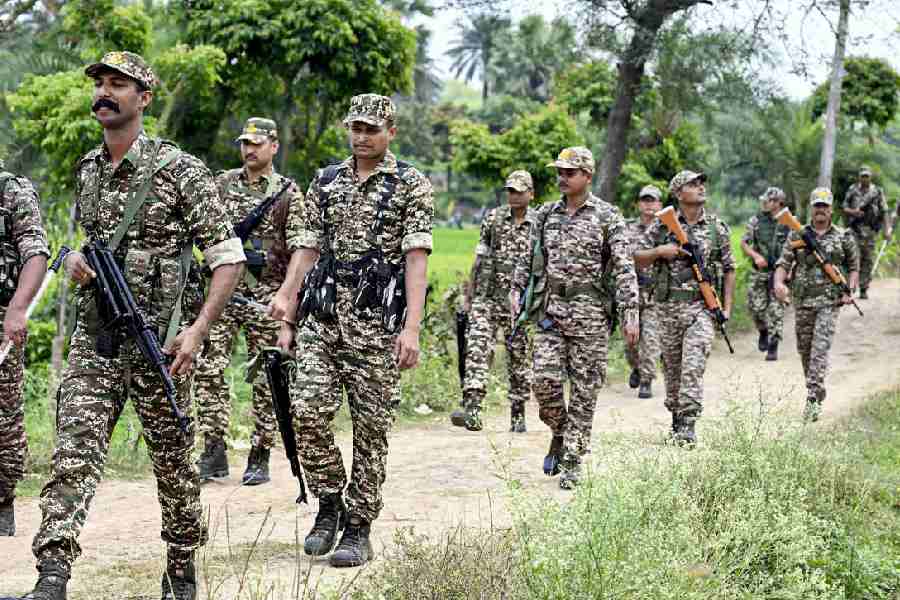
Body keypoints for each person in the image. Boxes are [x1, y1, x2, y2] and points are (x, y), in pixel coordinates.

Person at [15, 51, 245, 600]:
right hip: (98, 340)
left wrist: (197, 330)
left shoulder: (179, 170)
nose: (105, 92)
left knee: (173, 462)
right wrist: (70, 258)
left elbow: (228, 257)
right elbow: (85, 244)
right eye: (100, 83)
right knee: (73, 453)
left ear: (144, 98)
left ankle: (183, 566)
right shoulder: (87, 170)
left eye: (118, 84)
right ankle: (52, 575)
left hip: (161, 346)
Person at [269, 94, 432, 567]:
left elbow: (416, 258)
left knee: (371, 428)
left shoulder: (411, 185)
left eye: (371, 129)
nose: (361, 137)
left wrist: (412, 328)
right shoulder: (326, 181)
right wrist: (287, 296)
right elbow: (307, 245)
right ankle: (328, 499)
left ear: (391, 132)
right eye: (355, 128)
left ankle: (358, 527)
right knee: (307, 411)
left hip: (378, 323)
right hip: (323, 316)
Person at [510, 147, 639, 490]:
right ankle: (560, 431)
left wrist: (630, 313)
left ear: (587, 175)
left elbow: (625, 268)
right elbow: (528, 256)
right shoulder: (545, 214)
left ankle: (572, 460)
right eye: (559, 172)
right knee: (543, 383)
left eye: (569, 172)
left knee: (584, 392)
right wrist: (516, 290)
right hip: (551, 312)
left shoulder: (607, 216)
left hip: (592, 317)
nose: (562, 178)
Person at [193, 117, 300, 486]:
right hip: (223, 293)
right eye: (244, 143)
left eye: (257, 143)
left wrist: (289, 302)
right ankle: (213, 448)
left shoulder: (288, 194)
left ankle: (260, 451)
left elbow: (301, 251)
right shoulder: (221, 184)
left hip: (267, 297)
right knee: (208, 368)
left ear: (274, 146)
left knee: (266, 376)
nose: (249, 149)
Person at [634, 170, 736, 445]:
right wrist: (658, 252)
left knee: (693, 365)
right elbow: (635, 258)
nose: (701, 187)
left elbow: (729, 270)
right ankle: (677, 419)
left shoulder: (717, 228)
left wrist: (725, 308)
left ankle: (689, 423)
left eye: (702, 182)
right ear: (679, 194)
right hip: (666, 309)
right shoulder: (660, 226)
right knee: (673, 370)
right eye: (693, 184)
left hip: (700, 309)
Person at [450, 170, 534, 432]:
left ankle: (518, 413)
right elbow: (480, 257)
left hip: (520, 304)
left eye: (520, 191)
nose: (514, 195)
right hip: (488, 298)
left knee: (519, 358)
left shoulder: (539, 223)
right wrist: (469, 296)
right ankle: (473, 408)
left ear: (531, 194)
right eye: (510, 190)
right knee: (477, 350)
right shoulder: (494, 219)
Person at [774, 188, 859, 422]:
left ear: (831, 209)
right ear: (811, 208)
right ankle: (816, 388)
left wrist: (849, 289)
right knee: (805, 351)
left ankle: (812, 398)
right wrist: (779, 283)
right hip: (802, 301)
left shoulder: (844, 236)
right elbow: (784, 262)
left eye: (825, 205)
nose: (821, 209)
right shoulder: (797, 235)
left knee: (820, 349)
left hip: (830, 302)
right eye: (817, 205)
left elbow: (853, 267)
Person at [0, 165, 50, 537]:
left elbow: (35, 253)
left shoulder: (13, 190)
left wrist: (17, 309)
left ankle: (2, 498)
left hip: (2, 315)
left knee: (3, 414)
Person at [740, 187, 790, 361]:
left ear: (778, 203)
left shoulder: (789, 221)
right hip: (759, 271)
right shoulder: (755, 220)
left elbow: (798, 246)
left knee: (776, 309)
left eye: (767, 201)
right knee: (755, 307)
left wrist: (790, 269)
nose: (764, 203)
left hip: (780, 272)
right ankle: (763, 330)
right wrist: (756, 255)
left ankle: (774, 345)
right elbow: (744, 243)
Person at [624, 185, 663, 399]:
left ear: (660, 204)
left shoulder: (666, 230)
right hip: (631, 292)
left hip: (655, 292)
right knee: (630, 341)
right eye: (645, 200)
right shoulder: (627, 228)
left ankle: (647, 380)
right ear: (639, 204)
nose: (649, 204)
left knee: (650, 339)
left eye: (653, 200)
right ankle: (636, 367)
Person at [842, 166, 891, 299]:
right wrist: (853, 212)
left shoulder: (877, 191)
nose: (865, 178)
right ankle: (850, 287)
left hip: (870, 231)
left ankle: (863, 288)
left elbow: (884, 211)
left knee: (867, 260)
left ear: (871, 177)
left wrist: (887, 230)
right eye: (862, 176)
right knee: (853, 257)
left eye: (867, 176)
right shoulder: (852, 189)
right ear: (859, 177)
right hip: (855, 229)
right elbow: (844, 207)